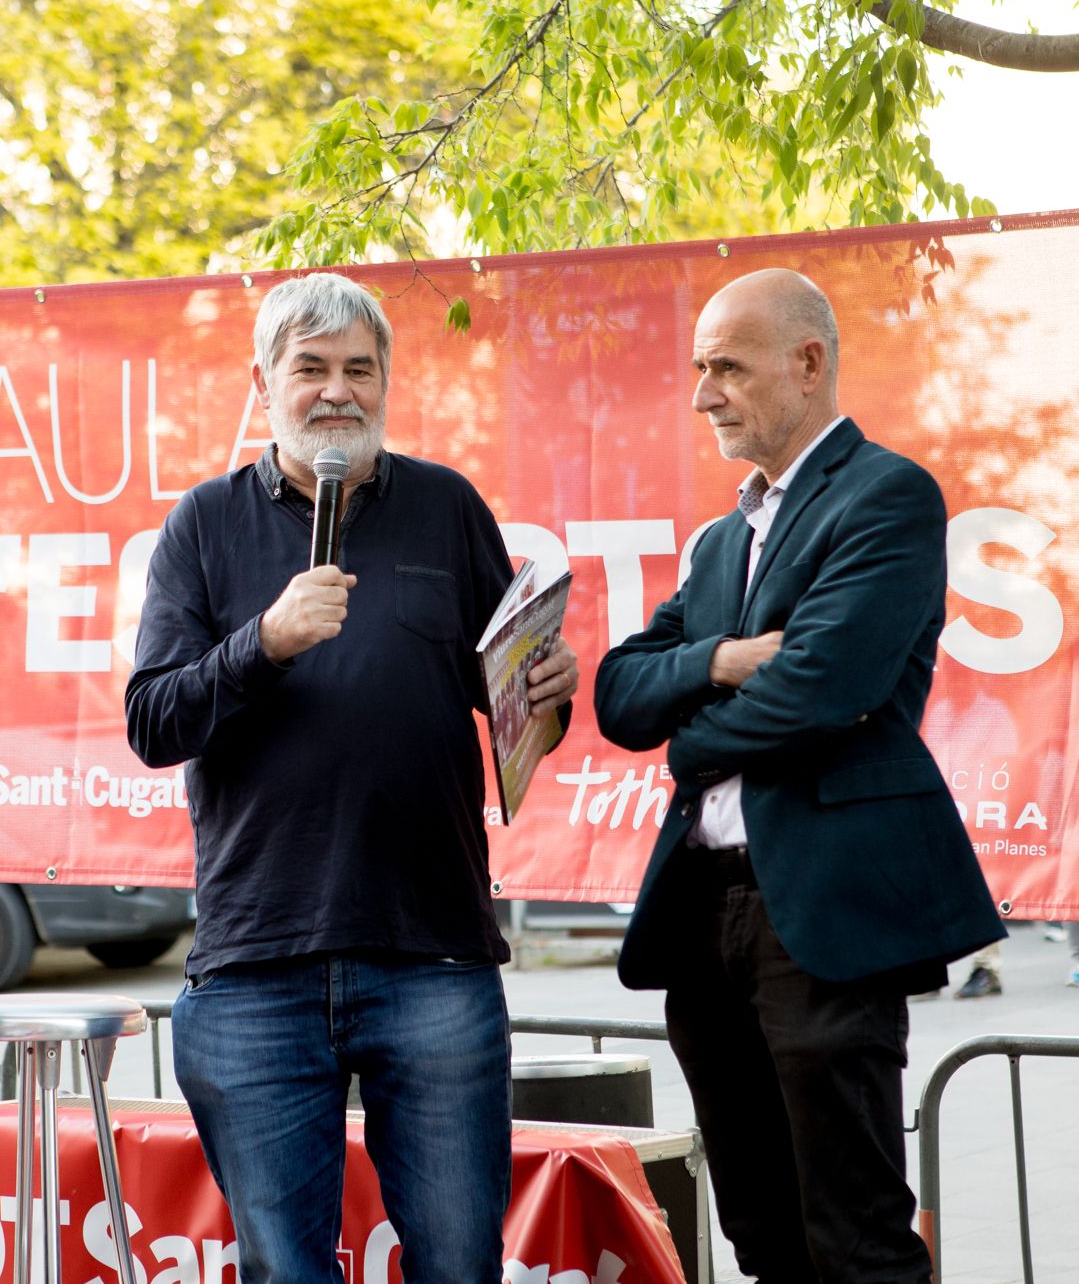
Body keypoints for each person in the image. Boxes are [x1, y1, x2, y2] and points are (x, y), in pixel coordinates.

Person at [126, 271, 578, 1282]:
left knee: (459, 1263)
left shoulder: (446, 507)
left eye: (357, 370)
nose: (337, 391)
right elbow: (151, 722)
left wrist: (546, 687)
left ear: (384, 381)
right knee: (286, 1270)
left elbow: (514, 708)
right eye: (311, 368)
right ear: (262, 381)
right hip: (256, 965)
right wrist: (263, 642)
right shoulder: (202, 525)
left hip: (433, 955)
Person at [592, 269, 1004, 1283]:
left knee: (853, 1238)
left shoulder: (885, 494)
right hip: (704, 916)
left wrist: (688, 741)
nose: (702, 394)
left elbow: (824, 687)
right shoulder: (719, 538)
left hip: (821, 913)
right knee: (760, 1234)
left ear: (807, 362)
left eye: (725, 367)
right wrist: (722, 660)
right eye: (697, 369)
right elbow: (616, 693)